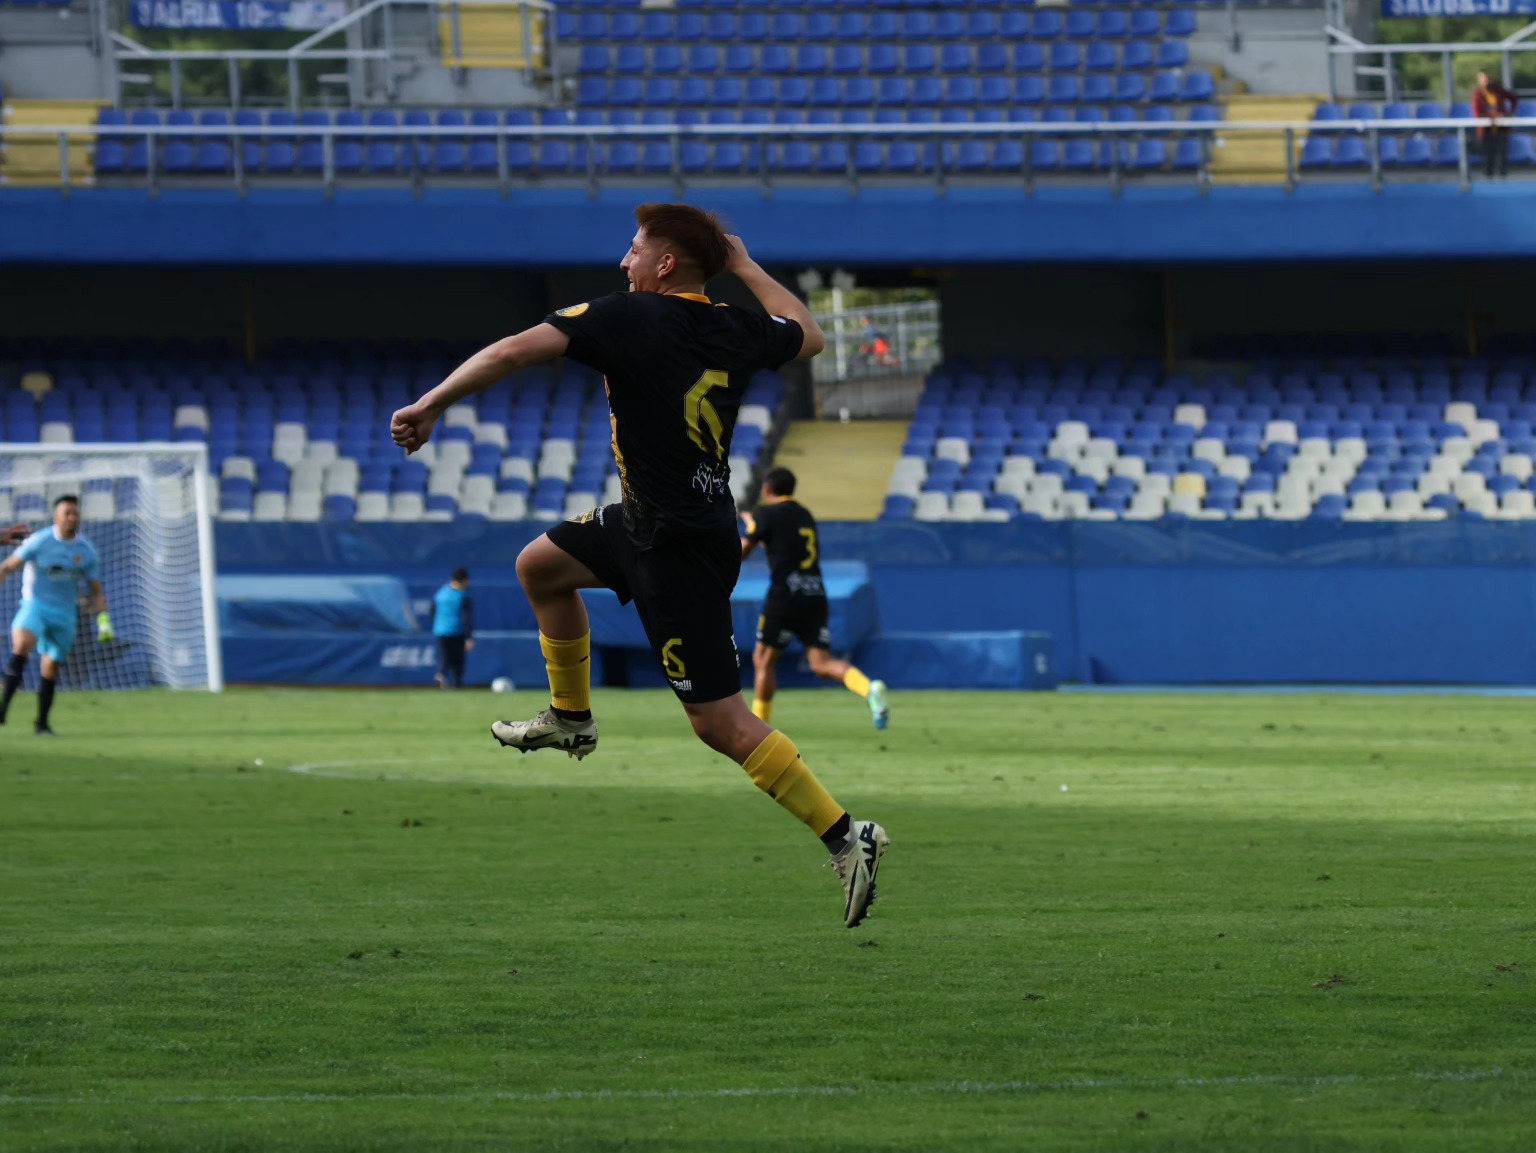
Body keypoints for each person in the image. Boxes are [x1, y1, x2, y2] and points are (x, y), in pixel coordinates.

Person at [390, 203, 889, 928]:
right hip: (658, 520)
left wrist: (431, 403)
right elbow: (808, 334)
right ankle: (571, 715)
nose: (624, 263)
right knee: (541, 566)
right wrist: (744, 265)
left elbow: (510, 352)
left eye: (634, 250)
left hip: (676, 544)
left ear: (664, 265)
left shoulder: (629, 315)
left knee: (718, 722)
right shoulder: (736, 325)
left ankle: (849, 836)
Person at [741, 467, 889, 730]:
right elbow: (780, 543)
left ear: (766, 489)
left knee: (763, 660)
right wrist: (759, 528)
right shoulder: (804, 514)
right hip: (815, 593)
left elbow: (742, 551)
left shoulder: (765, 514)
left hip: (785, 594)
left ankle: (759, 731)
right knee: (822, 663)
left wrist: (751, 528)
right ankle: (869, 689)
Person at [0, 496, 110, 736]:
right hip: (34, 605)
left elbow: (96, 591)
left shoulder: (86, 551)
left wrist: (103, 622)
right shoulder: (39, 541)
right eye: (67, 513)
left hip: (64, 613)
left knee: (50, 667)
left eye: (75, 513)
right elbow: (8, 566)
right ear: (55, 517)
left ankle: (42, 724)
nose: (72, 518)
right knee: (22, 646)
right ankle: (2, 710)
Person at [432, 567, 475, 689]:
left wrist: (438, 625)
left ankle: (440, 676)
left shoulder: (441, 593)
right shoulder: (463, 596)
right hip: (457, 631)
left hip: (440, 630)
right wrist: (469, 637)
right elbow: (467, 618)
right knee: (458, 660)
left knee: (445, 657)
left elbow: (432, 611)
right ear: (463, 580)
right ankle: (457, 684)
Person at [1473, 71, 1519, 179]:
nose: (1486, 81)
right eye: (1483, 79)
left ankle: (1503, 176)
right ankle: (1488, 176)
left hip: (1501, 126)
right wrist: (1492, 116)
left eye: (1487, 79)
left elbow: (1514, 99)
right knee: (1488, 153)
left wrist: (1510, 113)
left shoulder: (1498, 90)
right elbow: (1477, 113)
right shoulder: (1478, 94)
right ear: (1479, 81)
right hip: (1486, 128)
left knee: (1502, 151)